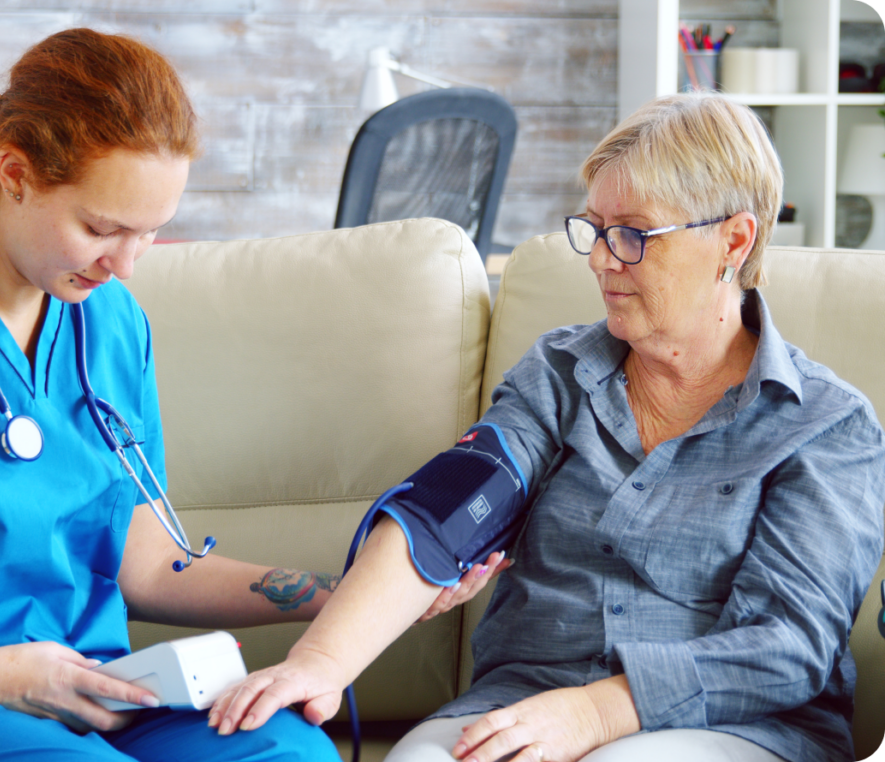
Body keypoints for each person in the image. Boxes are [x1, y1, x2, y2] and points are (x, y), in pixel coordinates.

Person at [0, 28, 502, 762]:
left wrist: (366, 591)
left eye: (150, 234)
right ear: (15, 174)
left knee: (287, 752)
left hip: (99, 690)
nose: (126, 266)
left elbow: (146, 564)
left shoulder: (109, 321)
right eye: (101, 228)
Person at [210, 93, 885, 762]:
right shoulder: (560, 374)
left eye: (632, 235)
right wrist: (322, 661)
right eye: (594, 229)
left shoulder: (826, 425)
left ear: (733, 240)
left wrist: (596, 713)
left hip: (737, 729)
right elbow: (446, 515)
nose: (598, 259)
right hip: (522, 702)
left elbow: (786, 646)